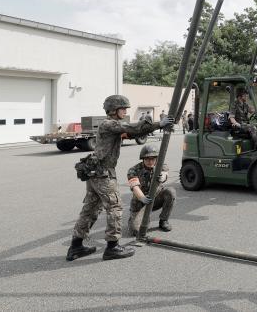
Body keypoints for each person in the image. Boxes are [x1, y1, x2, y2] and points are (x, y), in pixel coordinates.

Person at [66, 95, 174, 262]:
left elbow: (130, 133)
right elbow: (132, 129)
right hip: (103, 174)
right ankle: (112, 248)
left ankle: (76, 247)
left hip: (96, 173)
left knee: (90, 210)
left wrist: (151, 125)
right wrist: (160, 123)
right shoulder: (109, 124)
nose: (125, 111)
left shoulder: (111, 126)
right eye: (123, 108)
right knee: (115, 208)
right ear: (113, 110)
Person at [127, 144, 175, 236]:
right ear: (143, 159)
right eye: (147, 159)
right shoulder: (133, 170)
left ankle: (163, 220)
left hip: (156, 199)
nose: (150, 161)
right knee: (136, 231)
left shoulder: (160, 165)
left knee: (170, 192)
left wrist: (162, 177)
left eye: (153, 159)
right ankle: (138, 218)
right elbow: (135, 187)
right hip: (140, 202)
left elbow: (165, 173)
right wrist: (142, 198)